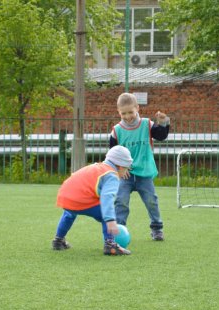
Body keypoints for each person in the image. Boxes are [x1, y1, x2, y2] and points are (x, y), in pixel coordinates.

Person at [52, 145, 134, 255]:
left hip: (65, 195)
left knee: (69, 214)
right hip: (82, 199)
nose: (126, 172)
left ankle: (58, 240)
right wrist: (110, 220)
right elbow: (107, 198)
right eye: (127, 168)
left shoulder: (96, 167)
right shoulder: (112, 175)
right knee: (106, 214)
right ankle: (110, 244)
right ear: (119, 166)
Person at [110, 92, 170, 241]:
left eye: (131, 112)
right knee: (121, 201)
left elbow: (161, 136)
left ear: (137, 108)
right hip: (126, 175)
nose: (128, 116)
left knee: (151, 201)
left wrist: (163, 122)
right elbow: (112, 154)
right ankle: (119, 230)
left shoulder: (146, 124)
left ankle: (157, 228)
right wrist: (118, 170)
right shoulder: (116, 131)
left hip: (144, 173)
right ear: (119, 112)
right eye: (123, 113)